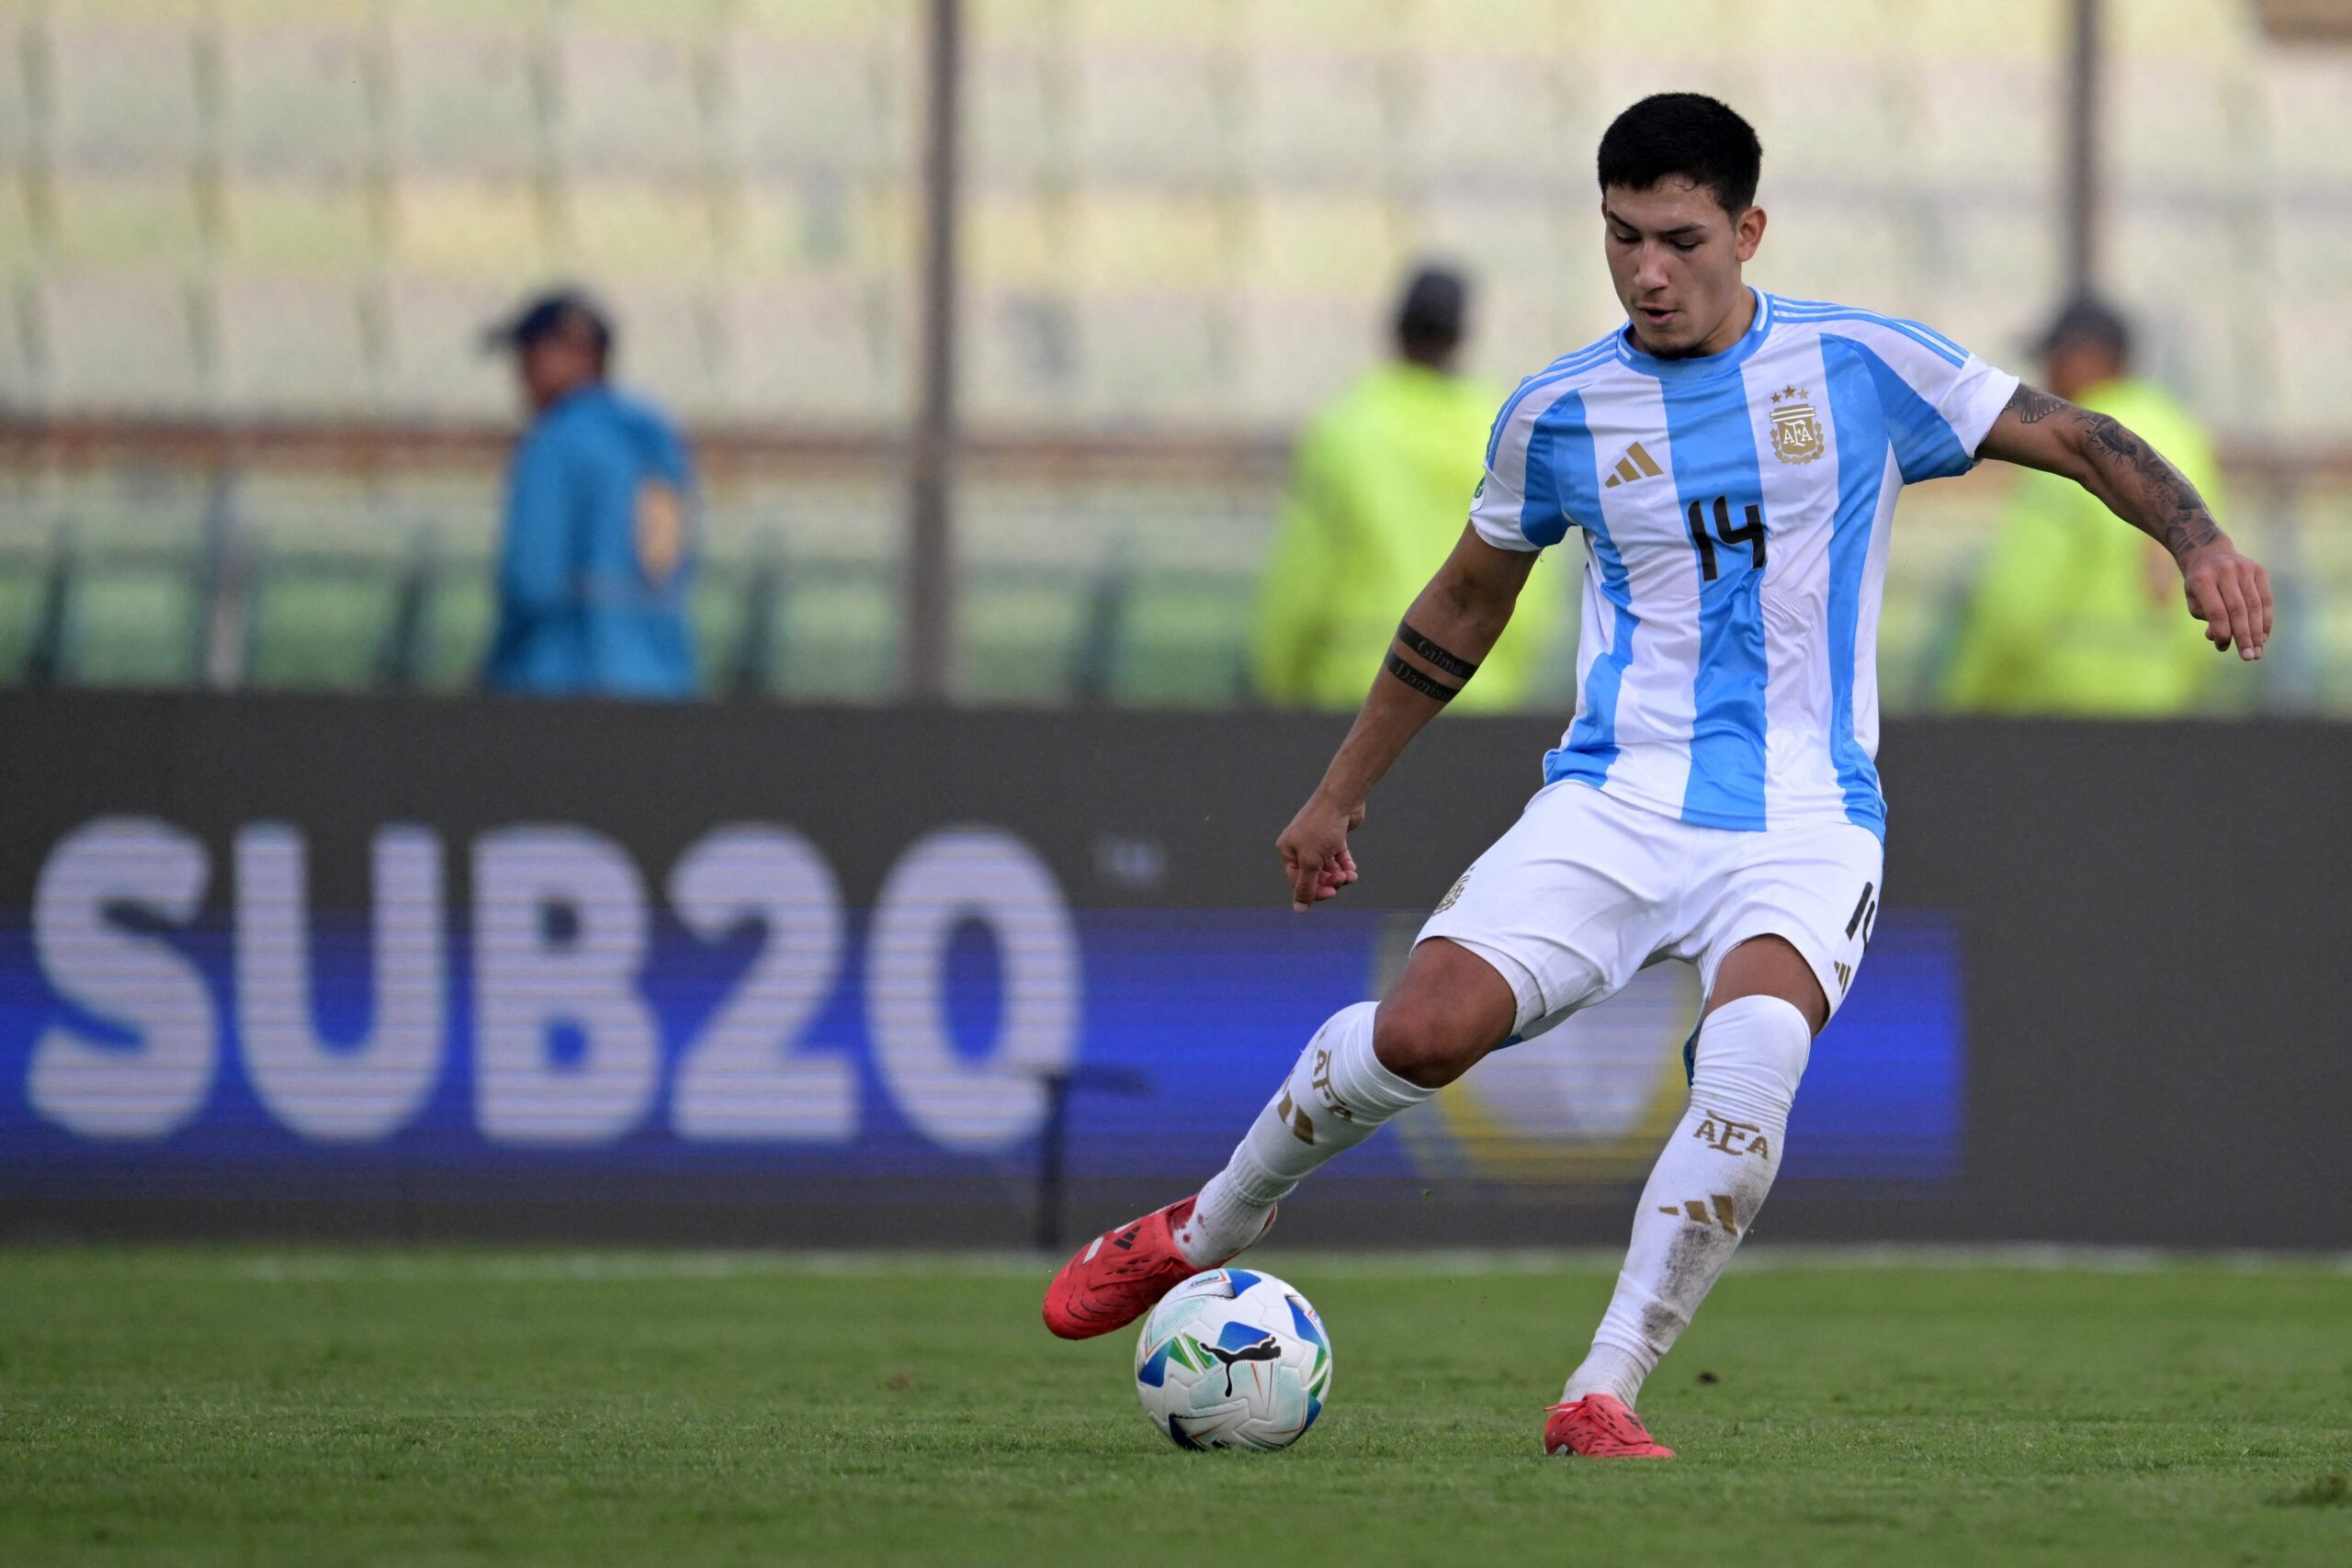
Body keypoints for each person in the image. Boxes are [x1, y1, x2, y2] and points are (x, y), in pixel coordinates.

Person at [1040, 94, 2271, 1459]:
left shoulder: (1860, 365)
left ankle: (1601, 1389)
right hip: (1615, 800)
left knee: (1748, 1067)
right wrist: (1339, 792)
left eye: (1680, 239)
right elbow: (1460, 603)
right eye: (1621, 238)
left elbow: (2074, 434)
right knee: (1423, 1032)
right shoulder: (1559, 413)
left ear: (1749, 230)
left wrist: (2199, 538)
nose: (1647, 272)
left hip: (1807, 816)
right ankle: (1203, 1226)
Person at [1250, 266, 1558, 711]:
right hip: (1482, 691)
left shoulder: (1345, 428)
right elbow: (1537, 580)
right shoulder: (1500, 428)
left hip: (1353, 692)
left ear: (1394, 328)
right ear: (1462, 335)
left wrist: (1280, 681)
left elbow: (1301, 579)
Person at [1941, 297, 2228, 714]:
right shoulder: (2182, 434)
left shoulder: (2069, 442)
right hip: (2166, 705)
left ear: (2084, 356)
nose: (2045, 378)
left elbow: (2017, 603)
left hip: (2059, 711)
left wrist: (1966, 696)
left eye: (2053, 358)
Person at [481, 289, 699, 699]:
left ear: (576, 355)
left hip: (566, 686)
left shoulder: (557, 440)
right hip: (663, 683)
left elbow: (533, 580)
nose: (520, 373)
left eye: (530, 354)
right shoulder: (656, 442)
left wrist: (494, 672)